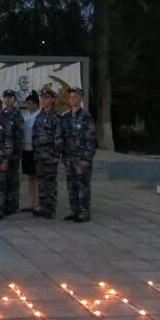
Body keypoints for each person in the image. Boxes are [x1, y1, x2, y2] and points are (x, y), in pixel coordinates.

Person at [61, 87, 96, 222]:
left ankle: (84, 212)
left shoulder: (86, 117)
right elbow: (63, 138)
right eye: (70, 97)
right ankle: (74, 211)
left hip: (81, 158)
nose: (72, 99)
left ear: (81, 98)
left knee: (83, 185)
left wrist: (87, 157)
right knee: (71, 185)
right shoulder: (66, 117)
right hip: (69, 158)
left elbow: (91, 139)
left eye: (75, 96)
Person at [31, 89, 63, 219]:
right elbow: (35, 135)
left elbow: (59, 137)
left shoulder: (56, 117)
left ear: (53, 100)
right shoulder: (40, 116)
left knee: (50, 183)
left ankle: (50, 209)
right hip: (39, 156)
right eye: (42, 97)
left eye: (46, 97)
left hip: (50, 155)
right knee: (41, 183)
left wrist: (56, 155)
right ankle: (43, 207)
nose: (43, 100)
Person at [2, 89, 24, 215]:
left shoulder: (17, 114)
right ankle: (5, 203)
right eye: (6, 97)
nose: (8, 99)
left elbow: (19, 135)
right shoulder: (3, 113)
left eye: (10, 97)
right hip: (4, 153)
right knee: (5, 180)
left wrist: (16, 153)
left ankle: (13, 205)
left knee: (13, 180)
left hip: (14, 153)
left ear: (14, 99)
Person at [22, 92, 41, 213]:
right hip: (26, 149)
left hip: (36, 150)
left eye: (32, 103)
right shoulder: (24, 116)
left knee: (37, 178)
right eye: (28, 103)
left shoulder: (39, 116)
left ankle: (38, 204)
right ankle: (31, 202)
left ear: (37, 104)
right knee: (30, 178)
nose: (30, 105)